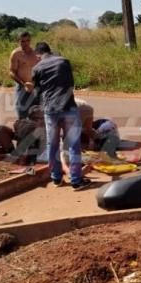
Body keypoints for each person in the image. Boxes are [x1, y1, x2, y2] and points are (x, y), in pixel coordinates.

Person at [31, 42, 91, 190]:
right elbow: (71, 83)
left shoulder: (37, 68)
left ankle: (56, 178)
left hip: (50, 110)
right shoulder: (64, 61)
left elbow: (37, 93)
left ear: (37, 54)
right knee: (73, 144)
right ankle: (76, 180)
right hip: (69, 107)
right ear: (49, 51)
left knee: (53, 145)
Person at [9, 31, 40, 119]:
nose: (25, 43)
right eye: (23, 41)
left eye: (28, 41)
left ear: (30, 41)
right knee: (22, 113)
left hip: (36, 86)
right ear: (18, 41)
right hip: (22, 86)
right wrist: (24, 84)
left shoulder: (36, 53)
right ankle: (22, 131)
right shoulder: (16, 54)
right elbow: (11, 72)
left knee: (37, 112)